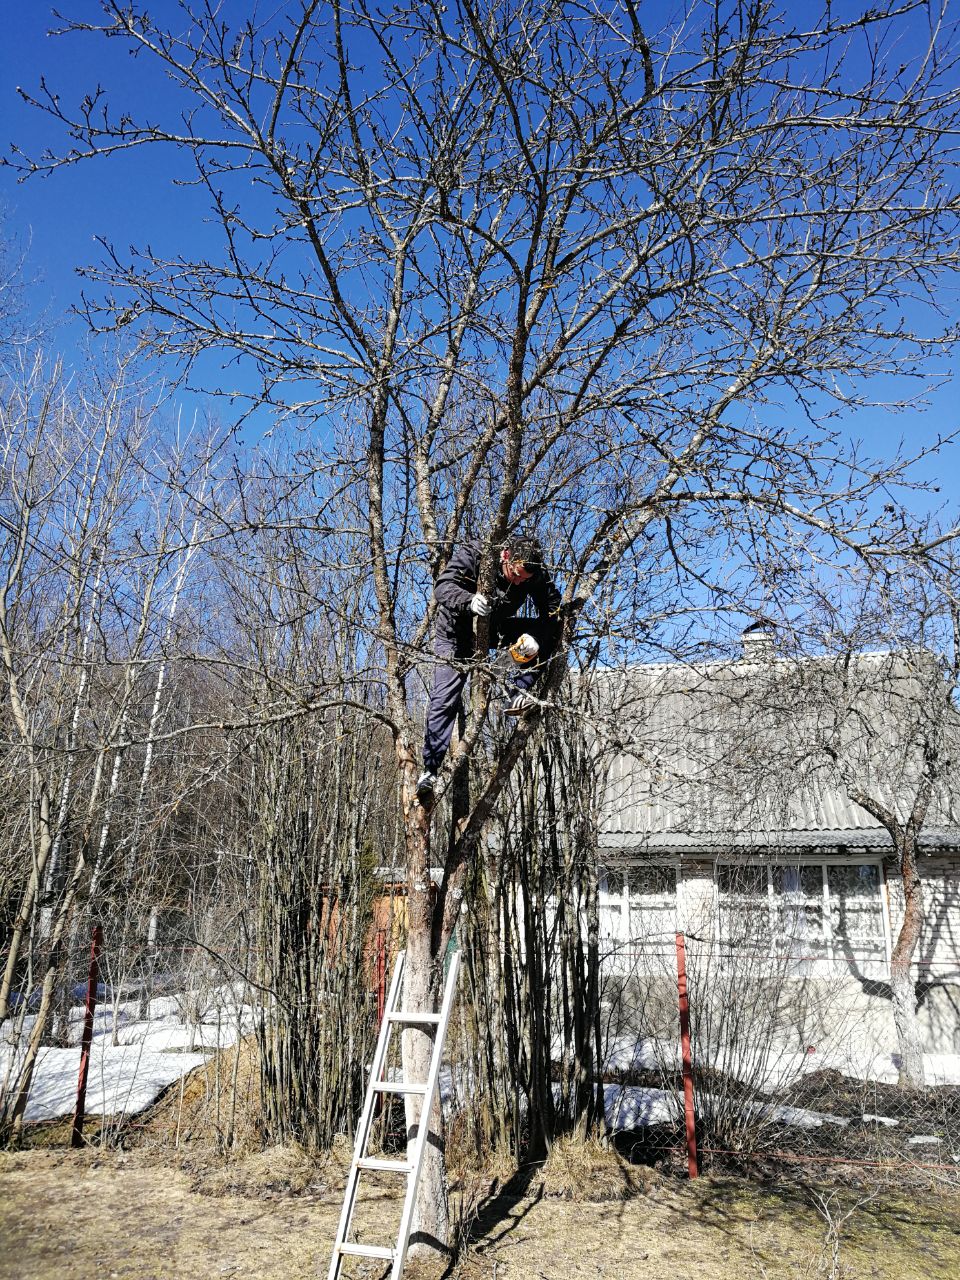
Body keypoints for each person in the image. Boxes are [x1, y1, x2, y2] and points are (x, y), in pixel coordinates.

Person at [417, 533, 562, 801]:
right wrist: (468, 601)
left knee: (551, 632)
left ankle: (518, 688)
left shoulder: (533, 573)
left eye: (524, 580)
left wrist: (537, 636)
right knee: (444, 699)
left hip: (495, 629)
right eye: (515, 574)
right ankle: (430, 769)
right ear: (506, 555)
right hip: (455, 635)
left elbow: (553, 609)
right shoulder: (475, 553)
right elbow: (443, 587)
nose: (518, 582)